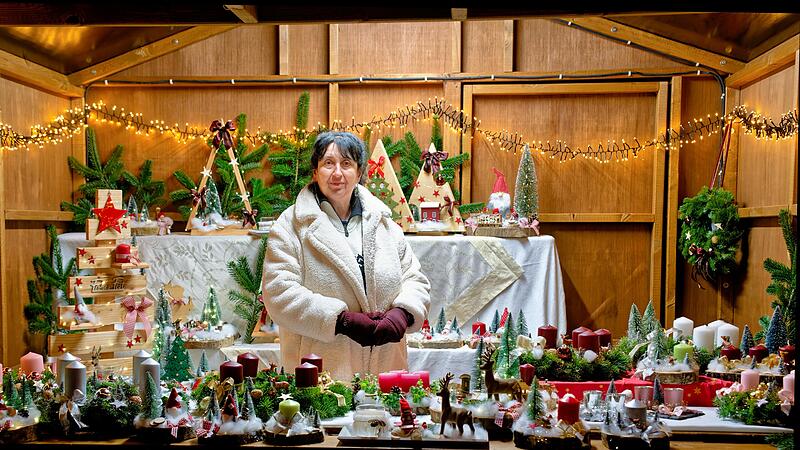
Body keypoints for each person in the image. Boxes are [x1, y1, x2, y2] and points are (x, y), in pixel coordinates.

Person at [262, 131, 431, 380]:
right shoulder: (291, 226)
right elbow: (279, 293)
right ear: (315, 171)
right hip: (321, 373)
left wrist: (403, 313)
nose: (337, 173)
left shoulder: (385, 224)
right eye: (328, 163)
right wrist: (341, 321)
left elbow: (415, 279)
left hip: (385, 369)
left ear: (359, 173)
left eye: (347, 163)